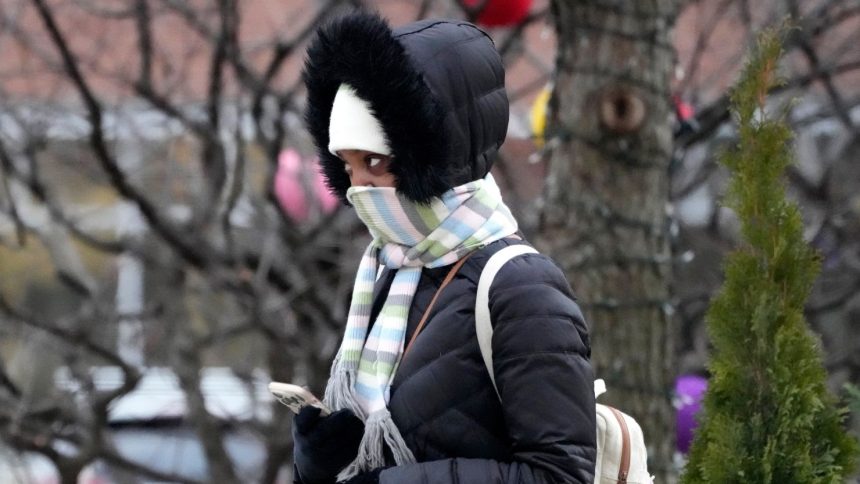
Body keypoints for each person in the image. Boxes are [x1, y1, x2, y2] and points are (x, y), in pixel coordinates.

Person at [293, 10, 596, 484]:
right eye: (347, 166)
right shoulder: (387, 267)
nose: (360, 187)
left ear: (430, 153)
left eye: (375, 160)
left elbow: (560, 475)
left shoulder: (521, 290)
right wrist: (320, 462)